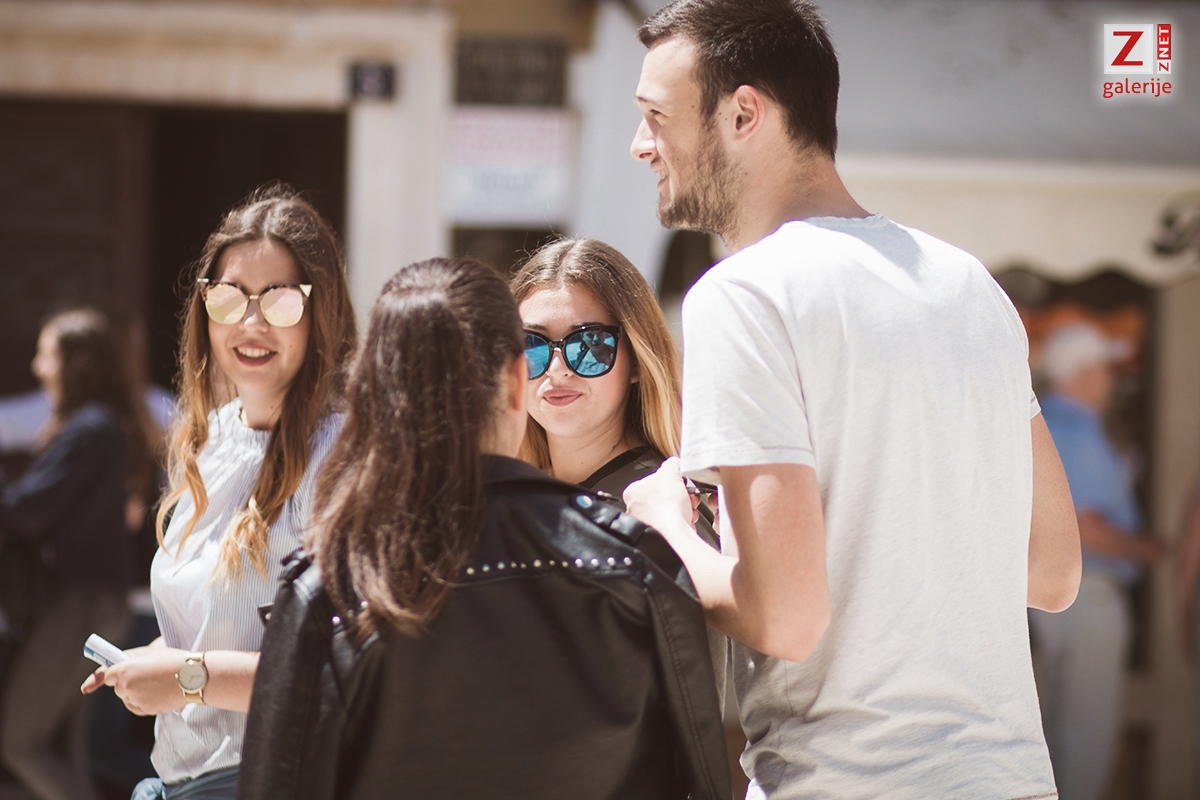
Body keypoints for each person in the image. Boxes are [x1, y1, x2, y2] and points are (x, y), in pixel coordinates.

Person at [620, 1, 1083, 797]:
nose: (640, 144)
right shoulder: (969, 286)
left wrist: (665, 524)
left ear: (743, 113)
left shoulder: (742, 296)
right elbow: (1053, 571)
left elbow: (785, 618)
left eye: (657, 117)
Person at [235, 257, 730, 800]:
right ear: (517, 380)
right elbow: (699, 775)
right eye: (535, 348)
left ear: (371, 393)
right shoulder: (635, 559)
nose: (558, 369)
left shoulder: (327, 587)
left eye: (588, 345)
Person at [81, 185, 357, 800]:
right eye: (230, 297)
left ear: (322, 313)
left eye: (281, 300)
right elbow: (219, 625)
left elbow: (349, 669)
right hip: (185, 781)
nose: (251, 323)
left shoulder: (345, 455)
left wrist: (187, 677)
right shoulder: (212, 439)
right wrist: (151, 663)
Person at [0, 308, 157, 800]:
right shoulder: (105, 429)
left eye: (47, 355)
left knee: (21, 743)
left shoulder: (91, 431)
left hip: (79, 606)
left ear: (76, 364)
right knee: (67, 750)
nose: (38, 367)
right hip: (96, 605)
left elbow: (25, 512)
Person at [1030, 322, 1162, 800]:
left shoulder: (1051, 423)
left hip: (1065, 596)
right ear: (1083, 372)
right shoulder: (1076, 430)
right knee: (1084, 737)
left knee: (1061, 731)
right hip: (1088, 595)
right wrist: (1152, 550)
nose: (1111, 379)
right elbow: (1084, 527)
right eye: (1105, 368)